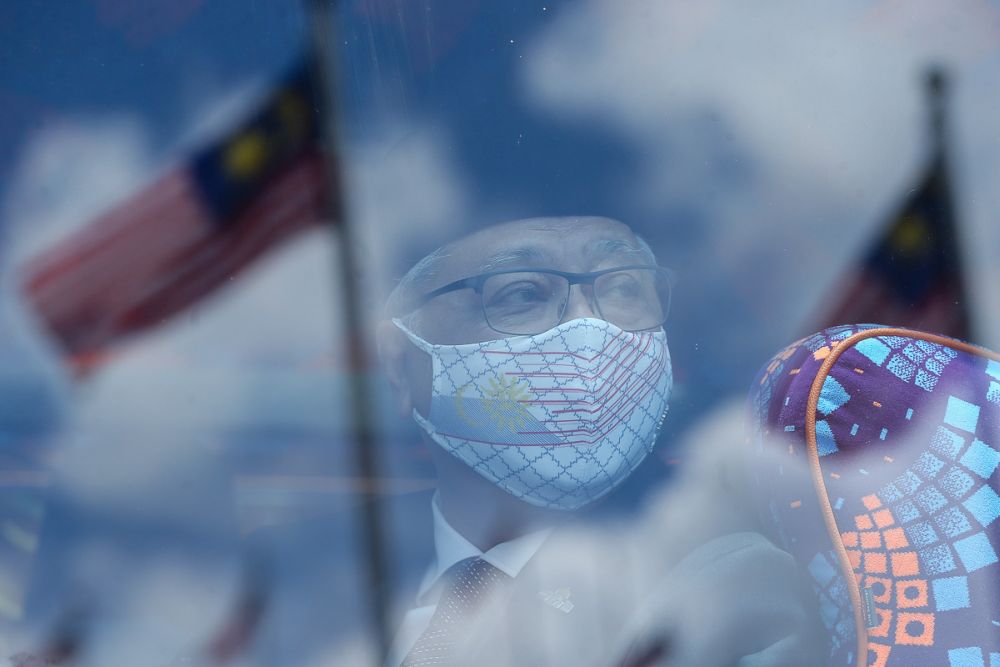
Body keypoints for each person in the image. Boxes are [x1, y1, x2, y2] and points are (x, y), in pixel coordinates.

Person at [375, 216, 825, 666]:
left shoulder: (728, 590)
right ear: (399, 367)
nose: (589, 333)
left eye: (623, 288)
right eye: (521, 293)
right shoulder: (340, 582)